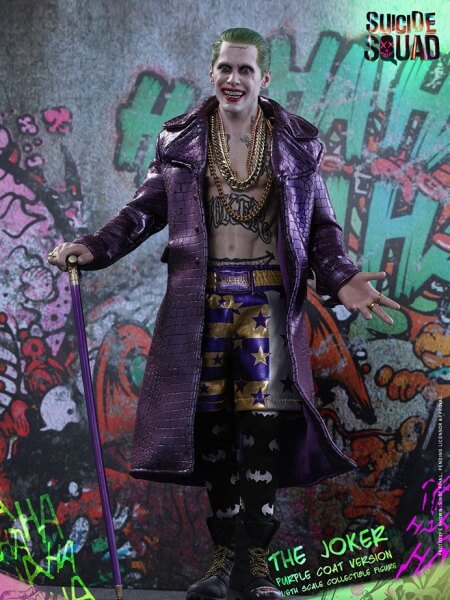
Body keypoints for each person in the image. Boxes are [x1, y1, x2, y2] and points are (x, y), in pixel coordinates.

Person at [48, 27, 400, 600]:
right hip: (203, 305)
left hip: (266, 302)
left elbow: (321, 228)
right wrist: (93, 248)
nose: (234, 80)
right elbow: (141, 213)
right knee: (211, 428)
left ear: (265, 78)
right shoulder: (182, 141)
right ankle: (220, 561)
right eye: (226, 69)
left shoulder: (295, 144)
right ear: (212, 73)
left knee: (261, 427)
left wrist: (343, 277)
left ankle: (257, 563)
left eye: (245, 70)